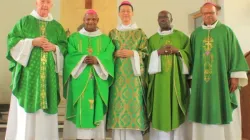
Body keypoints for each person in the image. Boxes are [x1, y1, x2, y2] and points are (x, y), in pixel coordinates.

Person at [5, 0, 67, 139]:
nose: (45, 5)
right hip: (28, 79)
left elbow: (64, 47)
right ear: (36, 3)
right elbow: (11, 41)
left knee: (45, 117)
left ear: (52, 5)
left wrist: (55, 48)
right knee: (27, 115)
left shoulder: (57, 27)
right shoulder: (25, 22)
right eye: (42, 1)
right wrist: (32, 42)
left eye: (48, 2)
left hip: (49, 78)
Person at [188, 2, 249, 140]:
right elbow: (191, 57)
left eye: (211, 13)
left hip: (222, 80)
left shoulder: (226, 31)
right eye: (205, 13)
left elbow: (235, 54)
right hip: (201, 82)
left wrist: (234, 76)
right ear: (201, 14)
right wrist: (191, 78)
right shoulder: (195, 35)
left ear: (217, 13)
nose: (208, 16)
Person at [63, 9, 114, 140]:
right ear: (83, 20)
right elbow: (69, 55)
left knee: (96, 108)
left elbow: (108, 55)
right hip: (80, 81)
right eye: (87, 19)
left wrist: (98, 60)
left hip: (98, 81)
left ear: (97, 21)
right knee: (82, 110)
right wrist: (83, 59)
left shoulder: (106, 39)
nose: (90, 22)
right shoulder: (74, 38)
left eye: (93, 19)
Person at [106, 1, 149, 140]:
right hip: (117, 79)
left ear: (132, 13)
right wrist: (114, 54)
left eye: (128, 11)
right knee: (118, 109)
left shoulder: (139, 33)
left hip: (134, 79)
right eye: (123, 11)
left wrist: (133, 53)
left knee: (133, 108)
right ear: (119, 13)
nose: (125, 13)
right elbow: (106, 54)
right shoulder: (112, 33)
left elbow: (146, 53)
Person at [147, 10, 191, 140]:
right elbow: (146, 59)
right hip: (158, 84)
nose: (163, 19)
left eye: (166, 17)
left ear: (171, 19)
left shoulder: (182, 37)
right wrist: (157, 53)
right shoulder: (152, 39)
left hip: (176, 82)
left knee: (176, 109)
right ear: (157, 20)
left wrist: (178, 51)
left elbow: (190, 56)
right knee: (160, 111)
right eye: (160, 17)